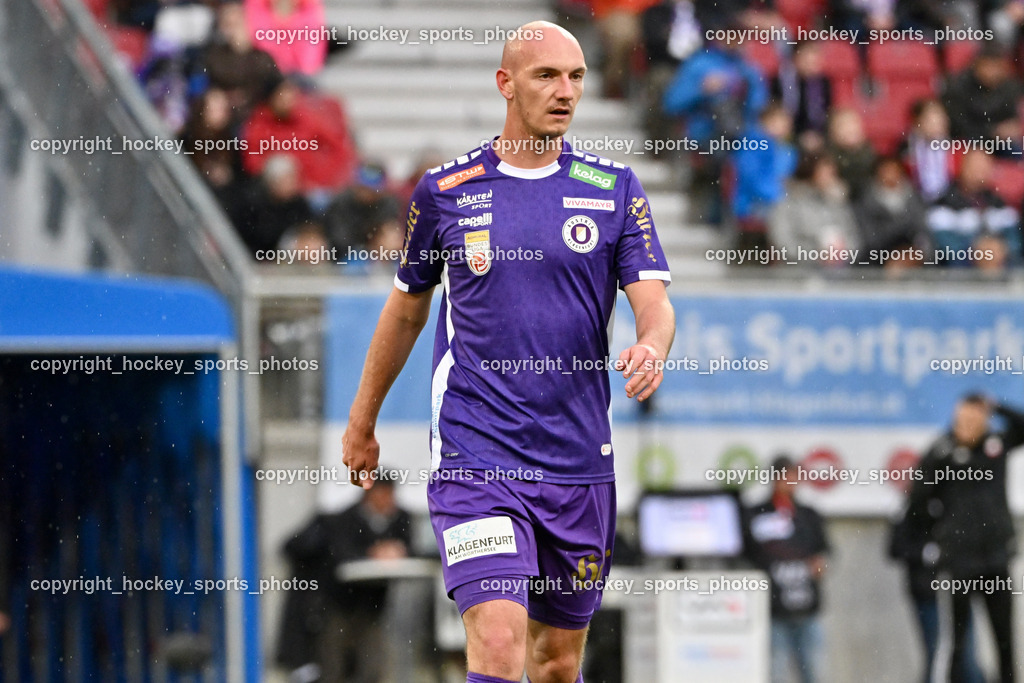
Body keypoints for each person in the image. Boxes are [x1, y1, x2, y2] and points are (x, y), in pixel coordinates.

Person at [342, 20, 675, 683]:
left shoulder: (615, 192)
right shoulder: (446, 192)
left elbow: (655, 303)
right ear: (505, 83)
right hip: (478, 457)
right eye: (547, 75)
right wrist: (362, 420)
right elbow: (406, 308)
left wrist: (652, 345)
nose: (566, 91)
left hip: (578, 465)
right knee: (497, 644)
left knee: (555, 662)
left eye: (577, 77)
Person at [907, 394, 1024, 683]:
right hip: (960, 561)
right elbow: (918, 496)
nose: (970, 425)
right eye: (964, 419)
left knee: (1005, 640)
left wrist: (995, 405)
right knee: (958, 641)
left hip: (995, 558)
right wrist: (942, 531)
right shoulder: (943, 452)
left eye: (976, 418)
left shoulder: (995, 446)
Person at [277, 477, 413, 682]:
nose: (388, 502)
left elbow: (413, 549)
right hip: (338, 605)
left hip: (372, 607)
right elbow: (340, 556)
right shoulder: (342, 519)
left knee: (371, 665)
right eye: (382, 495)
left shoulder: (401, 519)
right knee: (333, 664)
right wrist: (372, 553)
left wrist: (398, 552)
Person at [889, 461, 984, 683]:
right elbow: (896, 548)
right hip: (927, 593)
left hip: (956, 590)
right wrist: (924, 553)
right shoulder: (908, 511)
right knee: (937, 653)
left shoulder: (952, 508)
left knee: (965, 653)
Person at [744, 455, 830, 683]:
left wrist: (819, 565)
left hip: (807, 608)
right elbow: (748, 554)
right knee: (776, 672)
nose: (789, 482)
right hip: (773, 610)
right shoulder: (756, 514)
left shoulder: (808, 515)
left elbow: (823, 552)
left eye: (794, 477)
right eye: (785, 477)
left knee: (813, 671)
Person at [926, 150, 1022, 269]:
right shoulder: (943, 206)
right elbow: (945, 248)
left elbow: (1015, 243)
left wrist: (1000, 248)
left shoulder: (1001, 205)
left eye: (985, 166)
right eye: (975, 166)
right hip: (957, 279)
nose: (980, 171)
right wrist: (976, 250)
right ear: (962, 167)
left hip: (1001, 276)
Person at [769, 152, 860, 264]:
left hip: (837, 274)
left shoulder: (837, 203)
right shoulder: (788, 204)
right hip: (797, 275)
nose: (831, 177)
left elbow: (854, 238)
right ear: (810, 173)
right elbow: (783, 243)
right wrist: (817, 256)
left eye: (833, 173)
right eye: (826, 173)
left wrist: (841, 253)